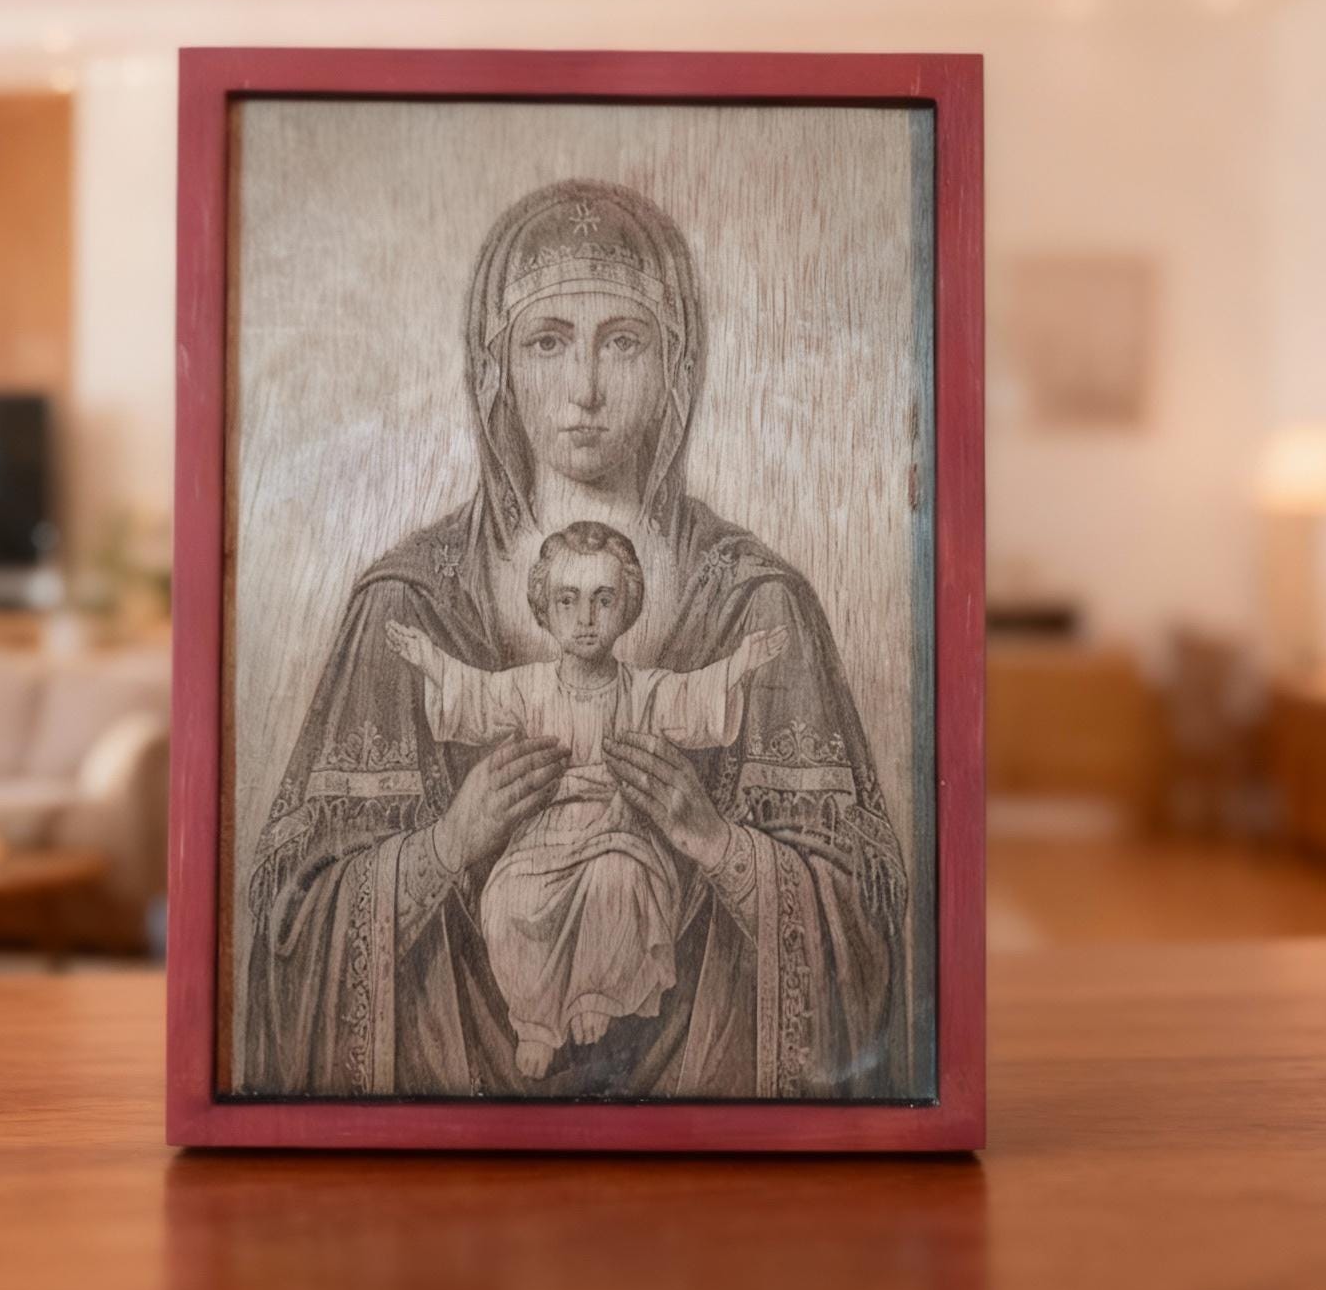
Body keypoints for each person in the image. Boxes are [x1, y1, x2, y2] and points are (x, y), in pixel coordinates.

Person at [235, 178, 905, 1099]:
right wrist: (448, 844)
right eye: (548, 342)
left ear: (677, 371)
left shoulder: (760, 608)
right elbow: (288, 933)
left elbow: (865, 940)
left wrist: (717, 844)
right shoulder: (406, 608)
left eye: (622, 342)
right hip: (441, 1135)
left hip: (714, 1127)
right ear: (496, 372)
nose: (585, 389)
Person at [387, 520, 789, 1079]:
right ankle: (534, 1020)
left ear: (627, 609)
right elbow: (477, 697)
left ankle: (597, 995)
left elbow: (692, 698)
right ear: (544, 609)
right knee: (509, 903)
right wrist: (431, 660)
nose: (585, 618)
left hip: (619, 831)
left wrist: (740, 664)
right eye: (567, 600)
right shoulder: (529, 686)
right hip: (542, 838)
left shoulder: (643, 689)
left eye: (603, 600)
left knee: (617, 883)